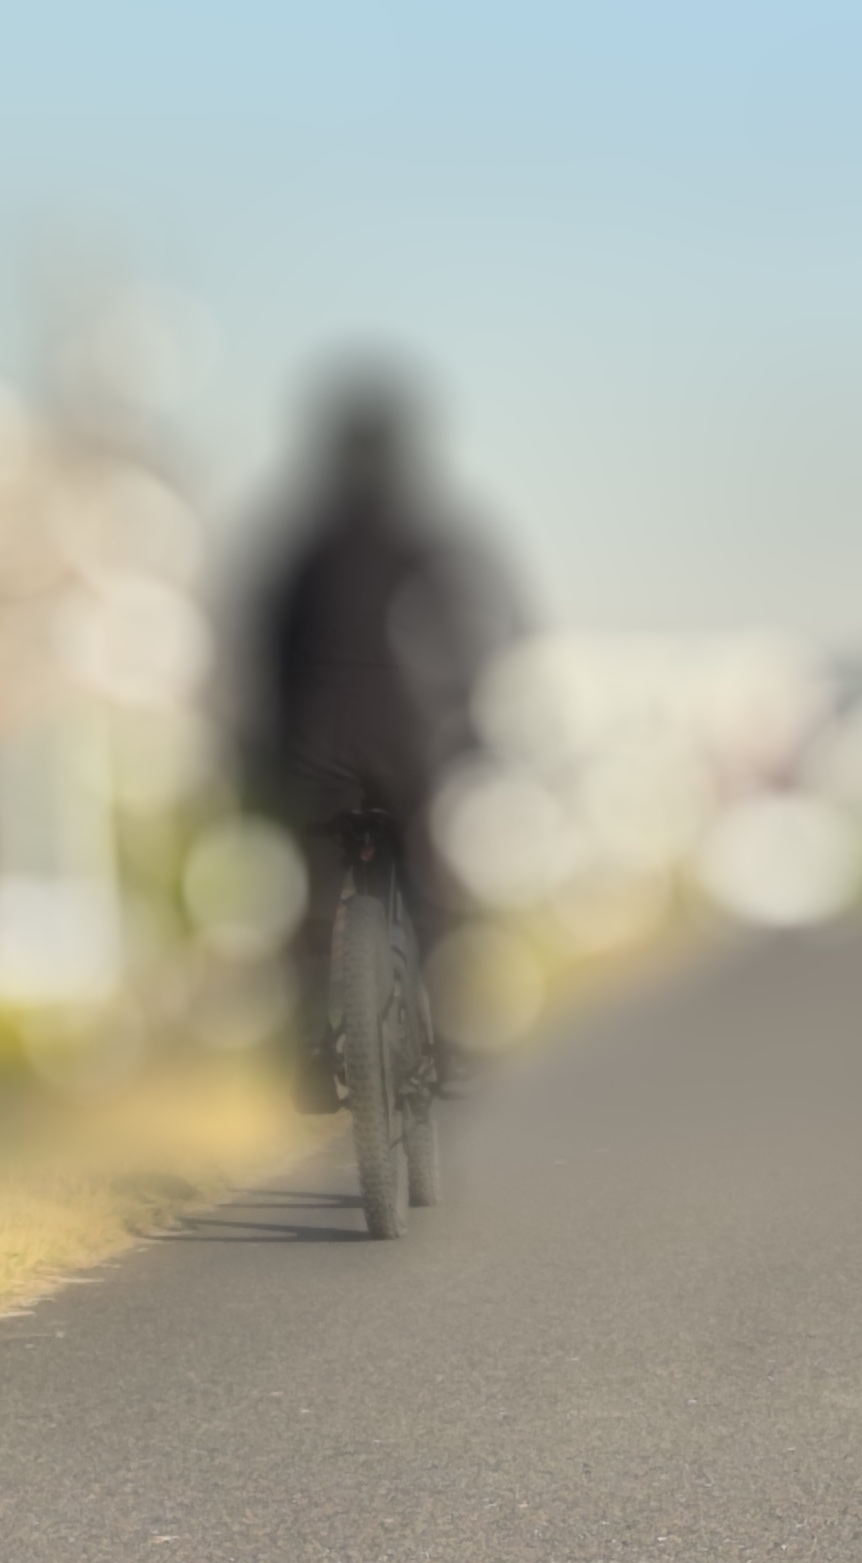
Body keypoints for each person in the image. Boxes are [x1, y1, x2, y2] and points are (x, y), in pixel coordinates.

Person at [228, 368, 521, 1108]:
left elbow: (262, 650)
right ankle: (443, 1030)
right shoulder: (427, 535)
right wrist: (474, 727)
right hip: (406, 741)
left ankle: (309, 1049)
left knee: (315, 894)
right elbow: (477, 633)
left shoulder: (302, 543)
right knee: (425, 881)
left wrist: (254, 749)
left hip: (314, 745)